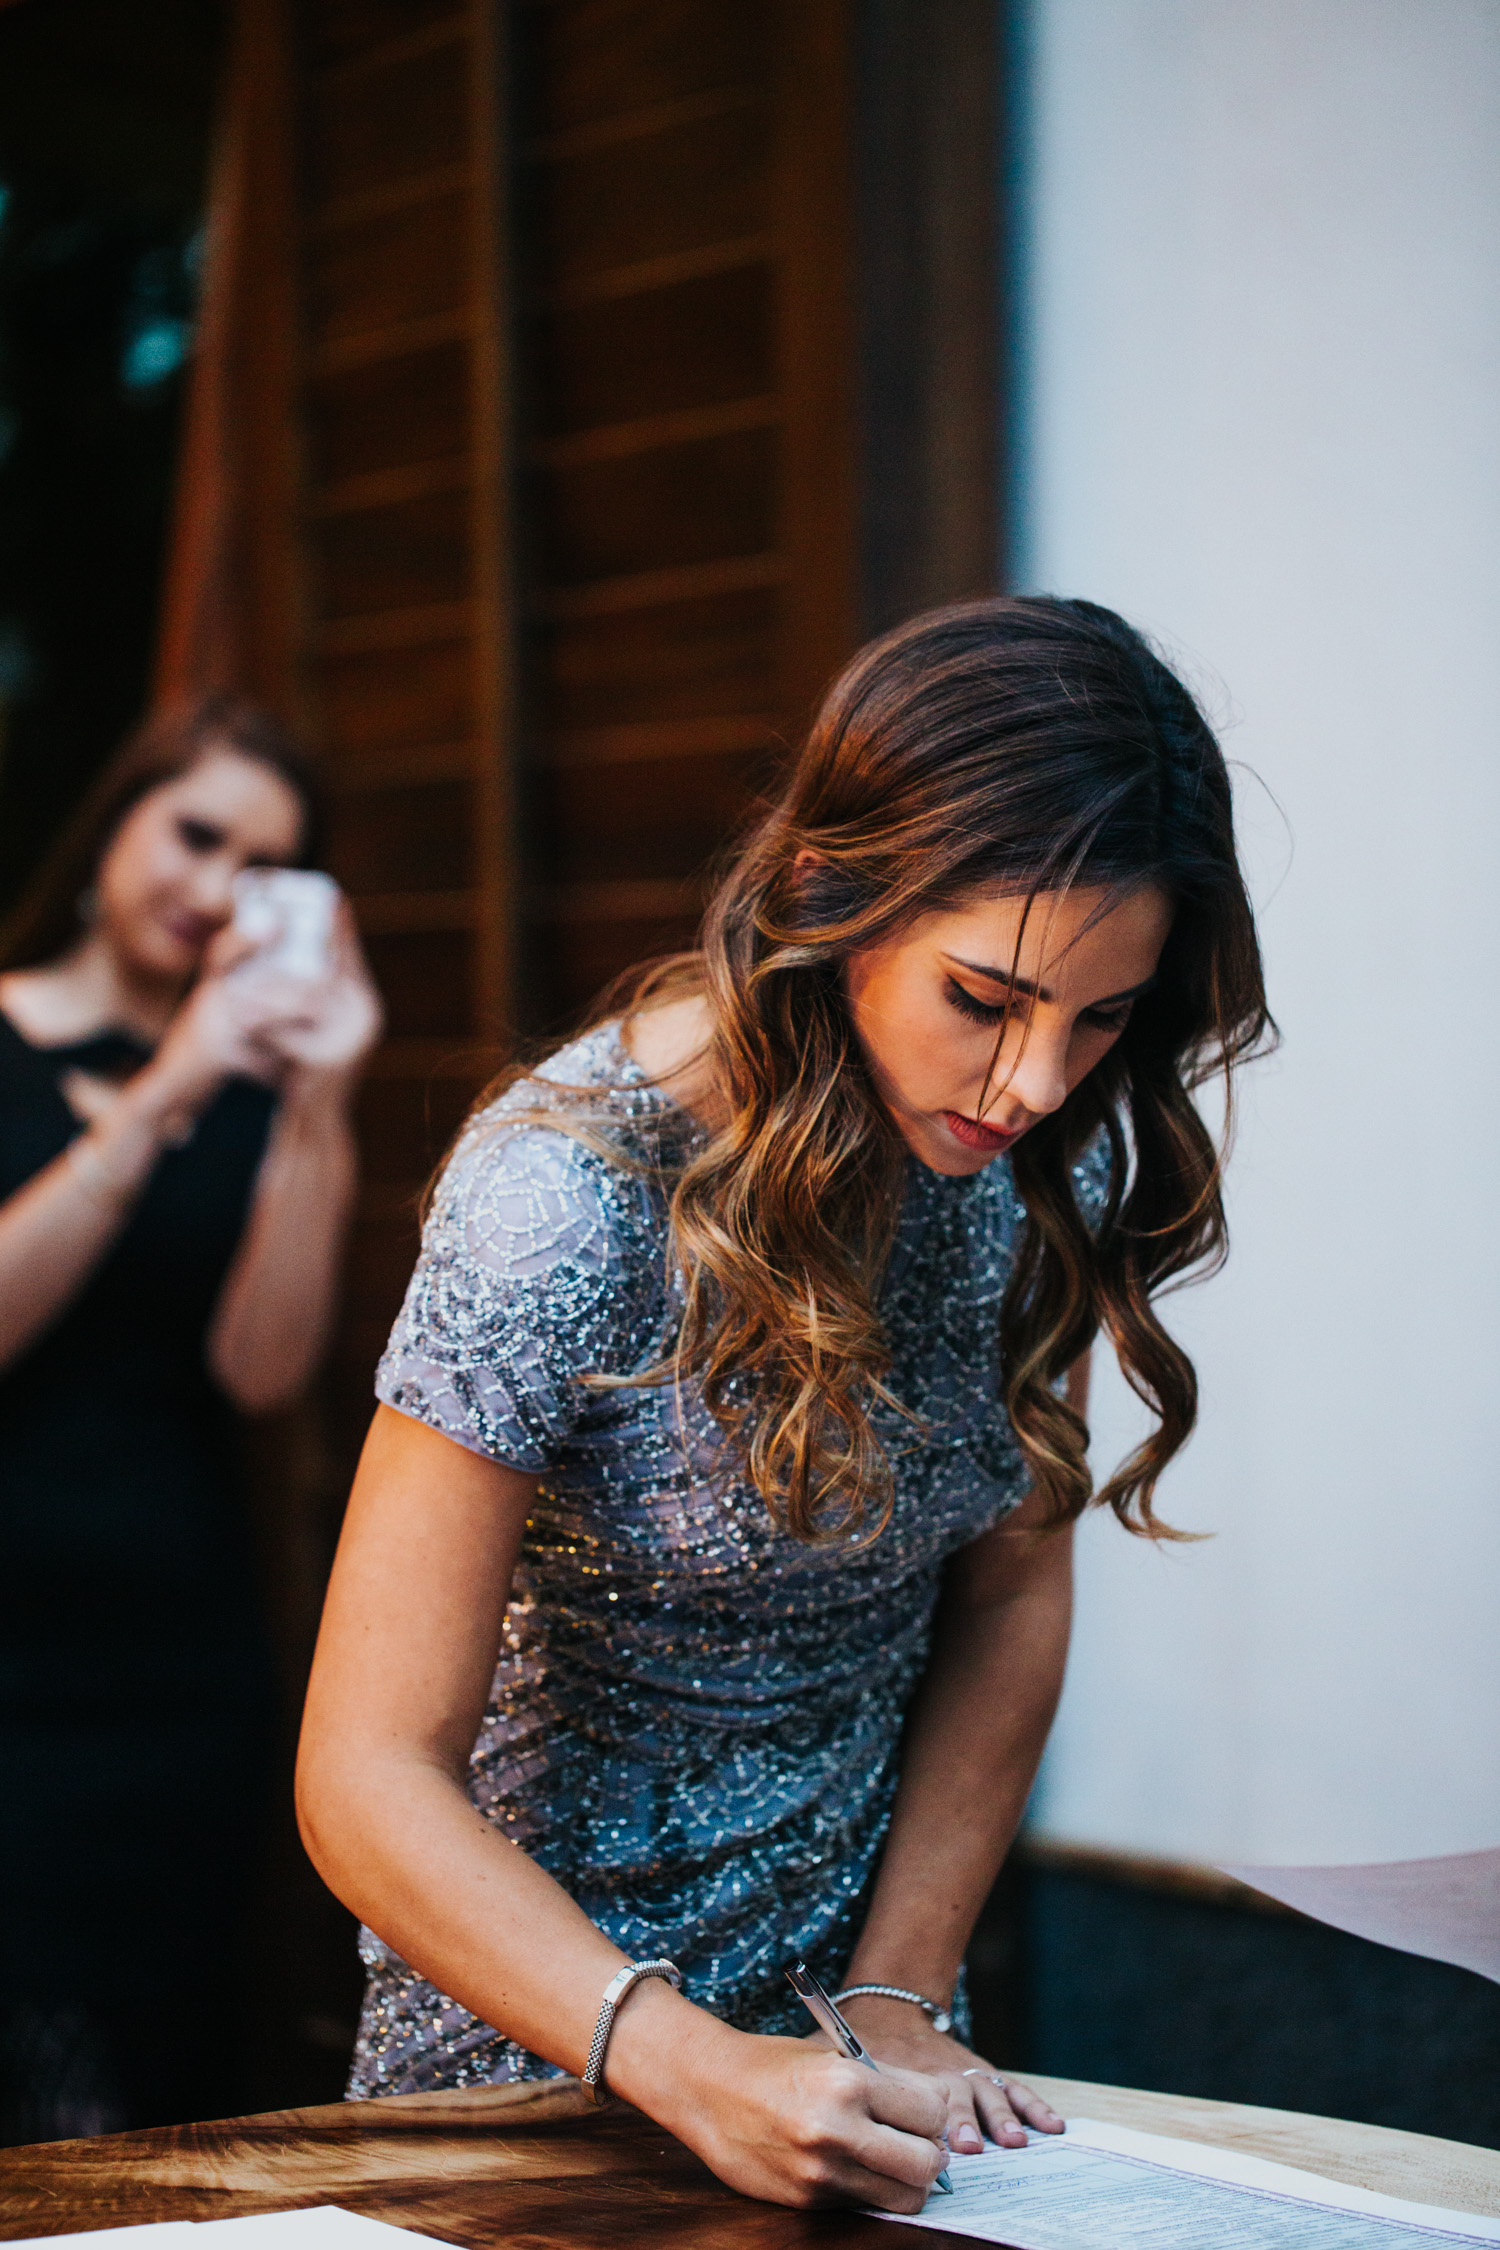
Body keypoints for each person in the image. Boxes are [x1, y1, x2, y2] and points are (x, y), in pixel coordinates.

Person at [296, 598, 1271, 2215]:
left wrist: (897, 1988)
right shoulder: (566, 1193)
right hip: (540, 2075)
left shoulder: (1048, 1163)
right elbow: (365, 1771)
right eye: (986, 996)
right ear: (840, 895)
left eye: (1101, 1019)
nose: (1036, 1081)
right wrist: (691, 2061)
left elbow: (1016, 1576)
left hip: (872, 2065)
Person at [0, 697, 381, 2142]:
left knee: (172, 2087)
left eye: (260, 865)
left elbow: (264, 1367)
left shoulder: (256, 1088)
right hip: (12, 1677)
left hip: (181, 1666)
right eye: (195, 832)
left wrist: (317, 1099)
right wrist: (165, 1089)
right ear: (118, 820)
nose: (211, 887)